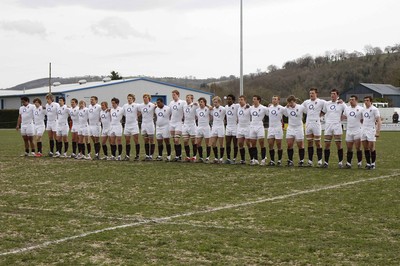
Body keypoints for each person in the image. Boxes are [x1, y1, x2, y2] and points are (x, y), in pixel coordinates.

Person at [321, 89, 346, 168]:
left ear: (337, 95)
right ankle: (326, 163)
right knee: (327, 145)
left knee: (338, 144)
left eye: (334, 94)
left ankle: (340, 162)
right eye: (331, 94)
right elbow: (323, 112)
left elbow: (347, 111)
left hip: (337, 125)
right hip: (328, 125)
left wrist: (343, 116)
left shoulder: (341, 104)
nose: (332, 95)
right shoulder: (327, 103)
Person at [302, 88, 326, 166]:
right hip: (308, 123)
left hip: (316, 124)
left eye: (312, 93)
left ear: (316, 94)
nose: (311, 95)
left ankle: (319, 160)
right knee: (309, 142)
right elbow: (299, 108)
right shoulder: (306, 102)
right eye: (310, 93)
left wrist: (322, 113)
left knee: (318, 143)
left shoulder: (321, 102)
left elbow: (329, 106)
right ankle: (310, 161)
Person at [283, 95, 306, 166]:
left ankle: (301, 161)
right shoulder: (286, 108)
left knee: (300, 145)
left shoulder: (301, 107)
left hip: (299, 128)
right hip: (290, 128)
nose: (290, 104)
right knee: (289, 144)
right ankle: (290, 161)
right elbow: (280, 111)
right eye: (289, 103)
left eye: (291, 102)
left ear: (295, 101)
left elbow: (308, 111)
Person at [343, 95, 364, 168]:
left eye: (352, 100)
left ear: (356, 101)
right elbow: (344, 117)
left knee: (358, 147)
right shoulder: (347, 109)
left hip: (358, 130)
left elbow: (363, 119)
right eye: (350, 100)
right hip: (349, 130)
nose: (351, 101)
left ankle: (359, 163)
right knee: (349, 148)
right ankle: (348, 163)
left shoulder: (361, 109)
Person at [361, 96, 381, 170]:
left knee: (371, 147)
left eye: (367, 100)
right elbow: (362, 119)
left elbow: (379, 120)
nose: (366, 102)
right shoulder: (363, 110)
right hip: (363, 130)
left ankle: (373, 163)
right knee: (365, 148)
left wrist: (378, 131)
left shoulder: (374, 109)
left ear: (371, 101)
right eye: (365, 100)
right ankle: (368, 163)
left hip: (371, 130)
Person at [248, 95, 268, 165]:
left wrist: (270, 106)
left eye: (254, 99)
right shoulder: (251, 108)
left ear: (258, 100)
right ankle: (255, 159)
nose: (253, 100)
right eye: (253, 99)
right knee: (253, 144)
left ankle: (263, 159)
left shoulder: (263, 108)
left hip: (260, 126)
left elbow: (269, 113)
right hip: (252, 126)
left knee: (261, 143)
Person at [266, 96, 285, 166]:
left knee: (279, 144)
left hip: (278, 128)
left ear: (278, 100)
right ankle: (272, 160)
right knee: (270, 144)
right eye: (272, 99)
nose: (273, 100)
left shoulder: (281, 108)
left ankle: (279, 160)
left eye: (275, 99)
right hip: (271, 128)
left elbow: (287, 111)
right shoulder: (269, 108)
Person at [122, 94, 141, 161]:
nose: (129, 99)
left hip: (134, 125)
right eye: (128, 98)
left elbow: (141, 111)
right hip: (127, 125)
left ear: (133, 99)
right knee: (127, 141)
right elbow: (123, 113)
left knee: (136, 140)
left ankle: (137, 155)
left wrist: (138, 115)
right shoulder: (125, 106)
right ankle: (127, 156)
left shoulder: (136, 105)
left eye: (130, 98)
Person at [138, 94, 156, 160]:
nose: (144, 98)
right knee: (145, 140)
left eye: (145, 97)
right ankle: (147, 155)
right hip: (144, 124)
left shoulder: (152, 105)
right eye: (143, 97)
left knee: (151, 140)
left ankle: (151, 155)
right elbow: (138, 112)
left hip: (150, 124)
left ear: (149, 98)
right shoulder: (141, 105)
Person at [169, 90, 185, 161]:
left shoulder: (182, 102)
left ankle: (179, 156)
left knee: (176, 139)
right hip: (172, 123)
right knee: (174, 140)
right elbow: (169, 112)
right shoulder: (171, 103)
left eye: (174, 94)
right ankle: (178, 156)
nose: (173, 96)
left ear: (178, 95)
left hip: (179, 123)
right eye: (172, 95)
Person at [210, 96, 226, 164]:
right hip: (214, 127)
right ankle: (216, 158)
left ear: (219, 102)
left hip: (220, 127)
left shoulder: (223, 109)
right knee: (213, 143)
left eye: (216, 102)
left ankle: (221, 158)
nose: (215, 103)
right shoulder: (212, 109)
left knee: (221, 143)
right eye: (214, 102)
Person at [195, 97, 212, 163]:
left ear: (205, 103)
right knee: (198, 143)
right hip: (199, 127)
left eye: (202, 102)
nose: (200, 103)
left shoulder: (207, 109)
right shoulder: (197, 110)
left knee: (207, 143)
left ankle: (207, 157)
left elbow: (211, 108)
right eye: (199, 102)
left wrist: (207, 105)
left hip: (206, 128)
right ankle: (201, 157)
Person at [182, 94, 198, 162]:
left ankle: (194, 156)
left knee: (193, 141)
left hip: (192, 125)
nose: (187, 99)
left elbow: (198, 113)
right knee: (185, 141)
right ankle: (188, 156)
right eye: (186, 97)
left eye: (188, 98)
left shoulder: (195, 105)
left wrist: (196, 103)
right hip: (185, 125)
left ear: (192, 99)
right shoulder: (184, 106)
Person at [224, 94, 240, 164]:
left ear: (233, 100)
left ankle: (234, 159)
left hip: (235, 127)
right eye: (227, 99)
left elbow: (244, 105)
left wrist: (247, 105)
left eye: (230, 99)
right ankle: (228, 158)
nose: (228, 100)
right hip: (228, 127)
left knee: (235, 144)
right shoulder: (226, 107)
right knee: (227, 143)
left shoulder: (236, 106)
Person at [236, 95, 251, 164]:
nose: (240, 101)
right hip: (240, 127)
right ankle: (243, 159)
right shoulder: (237, 107)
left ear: (245, 100)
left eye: (241, 99)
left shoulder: (249, 107)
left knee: (248, 143)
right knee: (240, 143)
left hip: (247, 127)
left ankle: (252, 159)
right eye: (239, 100)